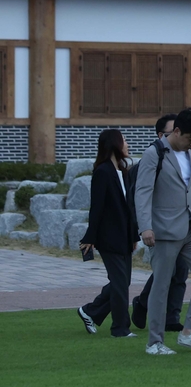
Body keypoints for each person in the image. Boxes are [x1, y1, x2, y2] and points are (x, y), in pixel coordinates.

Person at [133, 108, 191, 356]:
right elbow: (143, 191)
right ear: (177, 131)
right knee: (161, 286)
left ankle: (189, 332)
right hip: (163, 230)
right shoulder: (154, 153)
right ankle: (154, 342)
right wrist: (145, 227)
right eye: (190, 139)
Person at [76, 129, 138, 338]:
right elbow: (97, 208)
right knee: (120, 283)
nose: (128, 144)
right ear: (114, 144)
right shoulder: (102, 172)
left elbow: (128, 209)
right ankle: (120, 328)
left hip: (125, 236)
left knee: (123, 282)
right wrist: (90, 238)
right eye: (125, 141)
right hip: (109, 237)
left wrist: (134, 236)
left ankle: (90, 311)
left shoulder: (122, 171)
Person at [130, 114, 189, 332]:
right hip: (160, 228)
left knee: (181, 272)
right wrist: (143, 227)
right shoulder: (152, 158)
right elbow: (138, 196)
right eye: (172, 132)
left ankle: (172, 317)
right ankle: (144, 303)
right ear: (161, 135)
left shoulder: (188, 156)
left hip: (184, 225)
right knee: (166, 273)